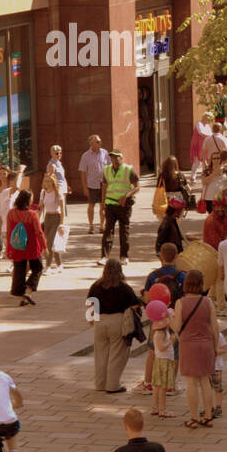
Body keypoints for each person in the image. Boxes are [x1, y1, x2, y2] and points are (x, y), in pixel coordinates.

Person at [173, 270, 222, 428]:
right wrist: (215, 346)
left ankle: (193, 417)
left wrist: (168, 321)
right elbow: (215, 327)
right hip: (206, 344)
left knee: (191, 383)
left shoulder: (180, 303)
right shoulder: (207, 302)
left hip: (188, 345)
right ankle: (208, 415)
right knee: (205, 382)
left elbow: (177, 327)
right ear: (201, 284)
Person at [87, 259, 139, 393]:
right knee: (117, 354)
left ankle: (100, 384)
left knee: (100, 354)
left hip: (100, 321)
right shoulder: (124, 287)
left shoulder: (96, 285)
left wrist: (91, 319)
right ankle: (113, 385)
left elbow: (90, 303)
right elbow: (135, 305)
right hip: (117, 321)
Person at [99, 149, 140, 266]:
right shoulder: (106, 170)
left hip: (124, 205)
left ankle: (124, 256)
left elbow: (137, 187)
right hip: (110, 205)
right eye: (112, 157)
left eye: (117, 157)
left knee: (124, 231)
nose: (114, 159)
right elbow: (104, 188)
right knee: (108, 230)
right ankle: (104, 257)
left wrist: (126, 196)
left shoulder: (128, 170)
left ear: (121, 158)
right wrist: (102, 204)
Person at [79, 135, 110, 235]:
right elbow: (83, 173)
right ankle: (91, 226)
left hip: (103, 184)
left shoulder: (105, 153)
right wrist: (85, 188)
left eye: (100, 141)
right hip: (91, 184)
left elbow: (109, 168)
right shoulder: (85, 155)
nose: (100, 143)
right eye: (97, 142)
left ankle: (102, 226)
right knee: (91, 205)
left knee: (103, 206)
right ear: (91, 144)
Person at [39, 171, 66, 274]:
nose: (47, 183)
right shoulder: (43, 192)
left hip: (56, 218)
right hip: (47, 218)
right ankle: (60, 265)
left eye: (50, 181)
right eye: (46, 181)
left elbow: (63, 210)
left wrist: (62, 224)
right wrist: (36, 219)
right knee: (50, 242)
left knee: (49, 243)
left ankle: (48, 266)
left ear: (54, 181)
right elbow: (40, 207)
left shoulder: (57, 193)